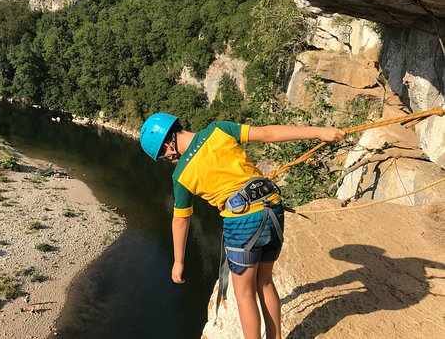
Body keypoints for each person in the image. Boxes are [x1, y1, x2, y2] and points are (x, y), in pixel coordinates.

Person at [139, 113, 346, 339]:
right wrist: (319, 132)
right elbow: (268, 133)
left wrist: (178, 262)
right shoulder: (219, 129)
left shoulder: (180, 176)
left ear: (168, 146)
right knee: (265, 282)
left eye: (164, 158)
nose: (169, 161)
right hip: (271, 208)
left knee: (245, 294)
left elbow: (181, 220)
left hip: (242, 221)